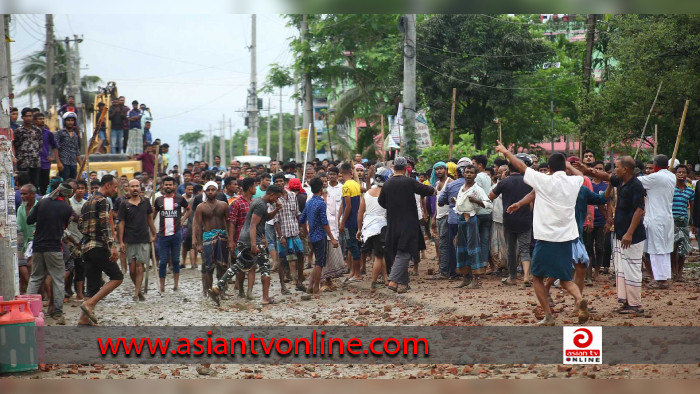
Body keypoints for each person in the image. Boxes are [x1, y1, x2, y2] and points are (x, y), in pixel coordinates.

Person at [495, 141, 589, 326]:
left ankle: (549, 316)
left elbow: (522, 166)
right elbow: (581, 175)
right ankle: (579, 299)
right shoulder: (574, 181)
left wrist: (506, 152)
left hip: (546, 237)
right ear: (564, 167)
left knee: (537, 277)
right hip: (566, 237)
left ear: (550, 168)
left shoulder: (544, 179)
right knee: (564, 278)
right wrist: (569, 165)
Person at [209, 185, 285, 306]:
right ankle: (265, 298)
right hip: (252, 240)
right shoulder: (261, 205)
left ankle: (217, 287)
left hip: (245, 239)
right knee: (265, 267)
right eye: (276, 197)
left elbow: (263, 219)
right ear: (272, 194)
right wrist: (254, 245)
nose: (276, 200)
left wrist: (276, 209)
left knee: (239, 265)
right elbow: (253, 225)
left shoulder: (258, 202)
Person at [378, 157, 435, 293]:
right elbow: (427, 190)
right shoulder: (410, 181)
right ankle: (393, 280)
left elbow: (381, 202)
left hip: (392, 222)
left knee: (399, 250)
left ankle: (404, 284)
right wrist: (435, 190)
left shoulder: (387, 184)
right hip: (408, 223)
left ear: (393, 167)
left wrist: (392, 206)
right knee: (405, 251)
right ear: (405, 168)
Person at [78, 175, 124, 326]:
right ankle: (89, 304)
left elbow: (80, 224)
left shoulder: (88, 201)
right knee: (117, 276)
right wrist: (112, 245)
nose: (116, 190)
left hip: (86, 247)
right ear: (107, 185)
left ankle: (83, 320)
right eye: (115, 187)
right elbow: (105, 224)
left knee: (92, 284)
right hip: (98, 245)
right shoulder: (103, 201)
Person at [489, 153, 533, 286]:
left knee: (511, 249)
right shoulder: (529, 181)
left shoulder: (504, 182)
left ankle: (512, 277)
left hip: (509, 219)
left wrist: (502, 181)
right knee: (525, 249)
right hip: (525, 219)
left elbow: (491, 196)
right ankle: (526, 276)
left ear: (508, 169)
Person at [639, 155, 676, 289]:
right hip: (666, 217)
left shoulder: (656, 177)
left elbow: (636, 181)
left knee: (656, 249)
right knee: (665, 248)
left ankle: (660, 279)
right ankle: (664, 277)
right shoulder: (672, 176)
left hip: (656, 218)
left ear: (655, 166)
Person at [453, 165, 492, 289]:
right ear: (463, 174)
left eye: (471, 172)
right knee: (461, 248)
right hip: (461, 219)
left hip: (471, 219)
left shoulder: (478, 189)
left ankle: (476, 279)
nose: (468, 174)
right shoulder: (462, 188)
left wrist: (476, 201)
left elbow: (488, 204)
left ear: (475, 175)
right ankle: (466, 277)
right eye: (466, 172)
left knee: (472, 247)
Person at [118, 179, 157, 302]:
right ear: (128, 188)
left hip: (143, 238)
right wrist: (121, 241)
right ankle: (138, 290)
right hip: (129, 239)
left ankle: (136, 293)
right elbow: (121, 223)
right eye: (132, 186)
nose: (135, 188)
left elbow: (150, 219)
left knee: (140, 266)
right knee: (132, 269)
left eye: (137, 186)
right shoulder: (124, 204)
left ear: (140, 188)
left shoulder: (145, 202)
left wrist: (154, 233)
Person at [299, 177, 339, 294]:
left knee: (317, 262)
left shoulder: (309, 202)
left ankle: (310, 286)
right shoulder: (321, 203)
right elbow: (324, 222)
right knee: (319, 264)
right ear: (321, 189)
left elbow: (302, 220)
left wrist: (306, 233)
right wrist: (332, 238)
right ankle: (316, 288)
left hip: (312, 236)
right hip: (320, 236)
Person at [227, 178, 264, 298]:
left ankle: (250, 292)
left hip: (254, 239)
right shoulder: (237, 203)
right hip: (240, 239)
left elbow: (259, 223)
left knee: (253, 266)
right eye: (254, 186)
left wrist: (263, 237)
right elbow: (232, 223)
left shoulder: (255, 203)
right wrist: (231, 241)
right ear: (249, 188)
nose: (256, 189)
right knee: (242, 266)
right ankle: (241, 289)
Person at [153, 176, 190, 292]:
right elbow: (153, 215)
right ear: (162, 186)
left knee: (175, 260)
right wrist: (151, 229)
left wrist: (183, 220)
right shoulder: (158, 200)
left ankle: (176, 285)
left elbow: (189, 209)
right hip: (163, 235)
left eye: (170, 184)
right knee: (163, 261)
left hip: (176, 234)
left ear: (174, 186)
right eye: (166, 184)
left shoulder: (179, 199)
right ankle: (162, 286)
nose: (168, 186)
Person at [194, 181, 231, 299]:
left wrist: (231, 240)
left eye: (213, 189)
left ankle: (221, 291)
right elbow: (198, 226)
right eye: (208, 190)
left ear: (217, 190)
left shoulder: (224, 205)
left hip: (222, 237)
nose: (210, 192)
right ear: (205, 192)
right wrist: (199, 243)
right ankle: (209, 291)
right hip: (208, 238)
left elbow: (229, 223)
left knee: (223, 266)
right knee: (209, 267)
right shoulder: (201, 207)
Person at [357, 167, 391, 292]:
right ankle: (373, 282)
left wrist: (359, 229)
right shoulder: (387, 193)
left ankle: (386, 279)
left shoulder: (367, 193)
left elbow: (360, 212)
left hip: (368, 227)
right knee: (378, 256)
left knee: (379, 254)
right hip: (381, 226)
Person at [275, 178, 307, 291]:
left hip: (294, 231)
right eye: (277, 181)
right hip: (283, 233)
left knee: (301, 254)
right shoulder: (274, 199)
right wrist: (280, 236)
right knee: (282, 259)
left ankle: (299, 282)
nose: (279, 183)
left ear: (284, 182)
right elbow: (275, 220)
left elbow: (297, 213)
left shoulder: (292, 195)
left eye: (281, 181)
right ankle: (283, 286)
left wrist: (302, 227)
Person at [339, 163, 363, 282]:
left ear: (341, 173)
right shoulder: (356, 184)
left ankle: (357, 274)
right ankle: (353, 272)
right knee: (354, 246)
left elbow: (347, 206)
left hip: (350, 222)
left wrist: (342, 222)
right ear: (351, 172)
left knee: (353, 247)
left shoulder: (346, 187)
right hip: (357, 220)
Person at [671, 165, 695, 282]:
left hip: (683, 220)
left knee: (683, 248)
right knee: (673, 248)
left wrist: (692, 223)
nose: (681, 174)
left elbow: (692, 207)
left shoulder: (690, 190)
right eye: (679, 172)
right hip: (672, 220)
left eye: (683, 172)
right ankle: (673, 271)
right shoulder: (671, 188)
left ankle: (680, 273)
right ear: (675, 174)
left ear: (687, 175)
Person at [430, 161, 452, 279]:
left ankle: (444, 271)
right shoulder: (437, 183)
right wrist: (434, 218)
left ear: (446, 170)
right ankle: (444, 269)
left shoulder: (450, 182)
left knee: (444, 244)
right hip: (439, 217)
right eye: (437, 169)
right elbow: (438, 202)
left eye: (441, 169)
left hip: (447, 216)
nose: (439, 171)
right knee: (441, 244)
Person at [471, 155, 493, 272]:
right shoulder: (487, 177)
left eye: (473, 164)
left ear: (479, 165)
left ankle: (476, 265)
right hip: (488, 211)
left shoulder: (477, 177)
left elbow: (476, 193)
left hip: (479, 211)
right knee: (484, 239)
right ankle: (484, 264)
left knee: (474, 239)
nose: (472, 166)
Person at [13, 108, 43, 189]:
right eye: (26, 116)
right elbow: (15, 145)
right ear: (22, 117)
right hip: (22, 161)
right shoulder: (18, 131)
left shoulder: (37, 130)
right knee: (23, 183)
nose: (29, 118)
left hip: (35, 161)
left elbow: (40, 144)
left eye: (30, 116)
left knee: (35, 184)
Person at [16, 184, 38, 294]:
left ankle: (34, 292)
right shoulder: (21, 208)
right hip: (26, 243)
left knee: (31, 265)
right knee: (25, 265)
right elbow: (19, 225)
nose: (22, 196)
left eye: (25, 194)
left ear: (33, 195)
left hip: (39, 241)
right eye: (21, 194)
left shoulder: (39, 206)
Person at [34, 112, 60, 195]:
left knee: (44, 184)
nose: (42, 121)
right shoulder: (32, 132)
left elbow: (55, 146)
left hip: (45, 163)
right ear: (35, 121)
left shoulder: (48, 133)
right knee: (35, 184)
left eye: (42, 119)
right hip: (34, 163)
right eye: (39, 119)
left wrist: (53, 157)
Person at [55, 112, 82, 180]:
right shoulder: (60, 133)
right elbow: (55, 148)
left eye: (72, 120)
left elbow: (76, 150)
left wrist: (81, 164)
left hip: (73, 163)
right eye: (68, 120)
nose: (70, 122)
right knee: (64, 183)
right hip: (64, 163)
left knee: (73, 183)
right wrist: (58, 162)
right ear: (64, 121)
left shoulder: (75, 135)